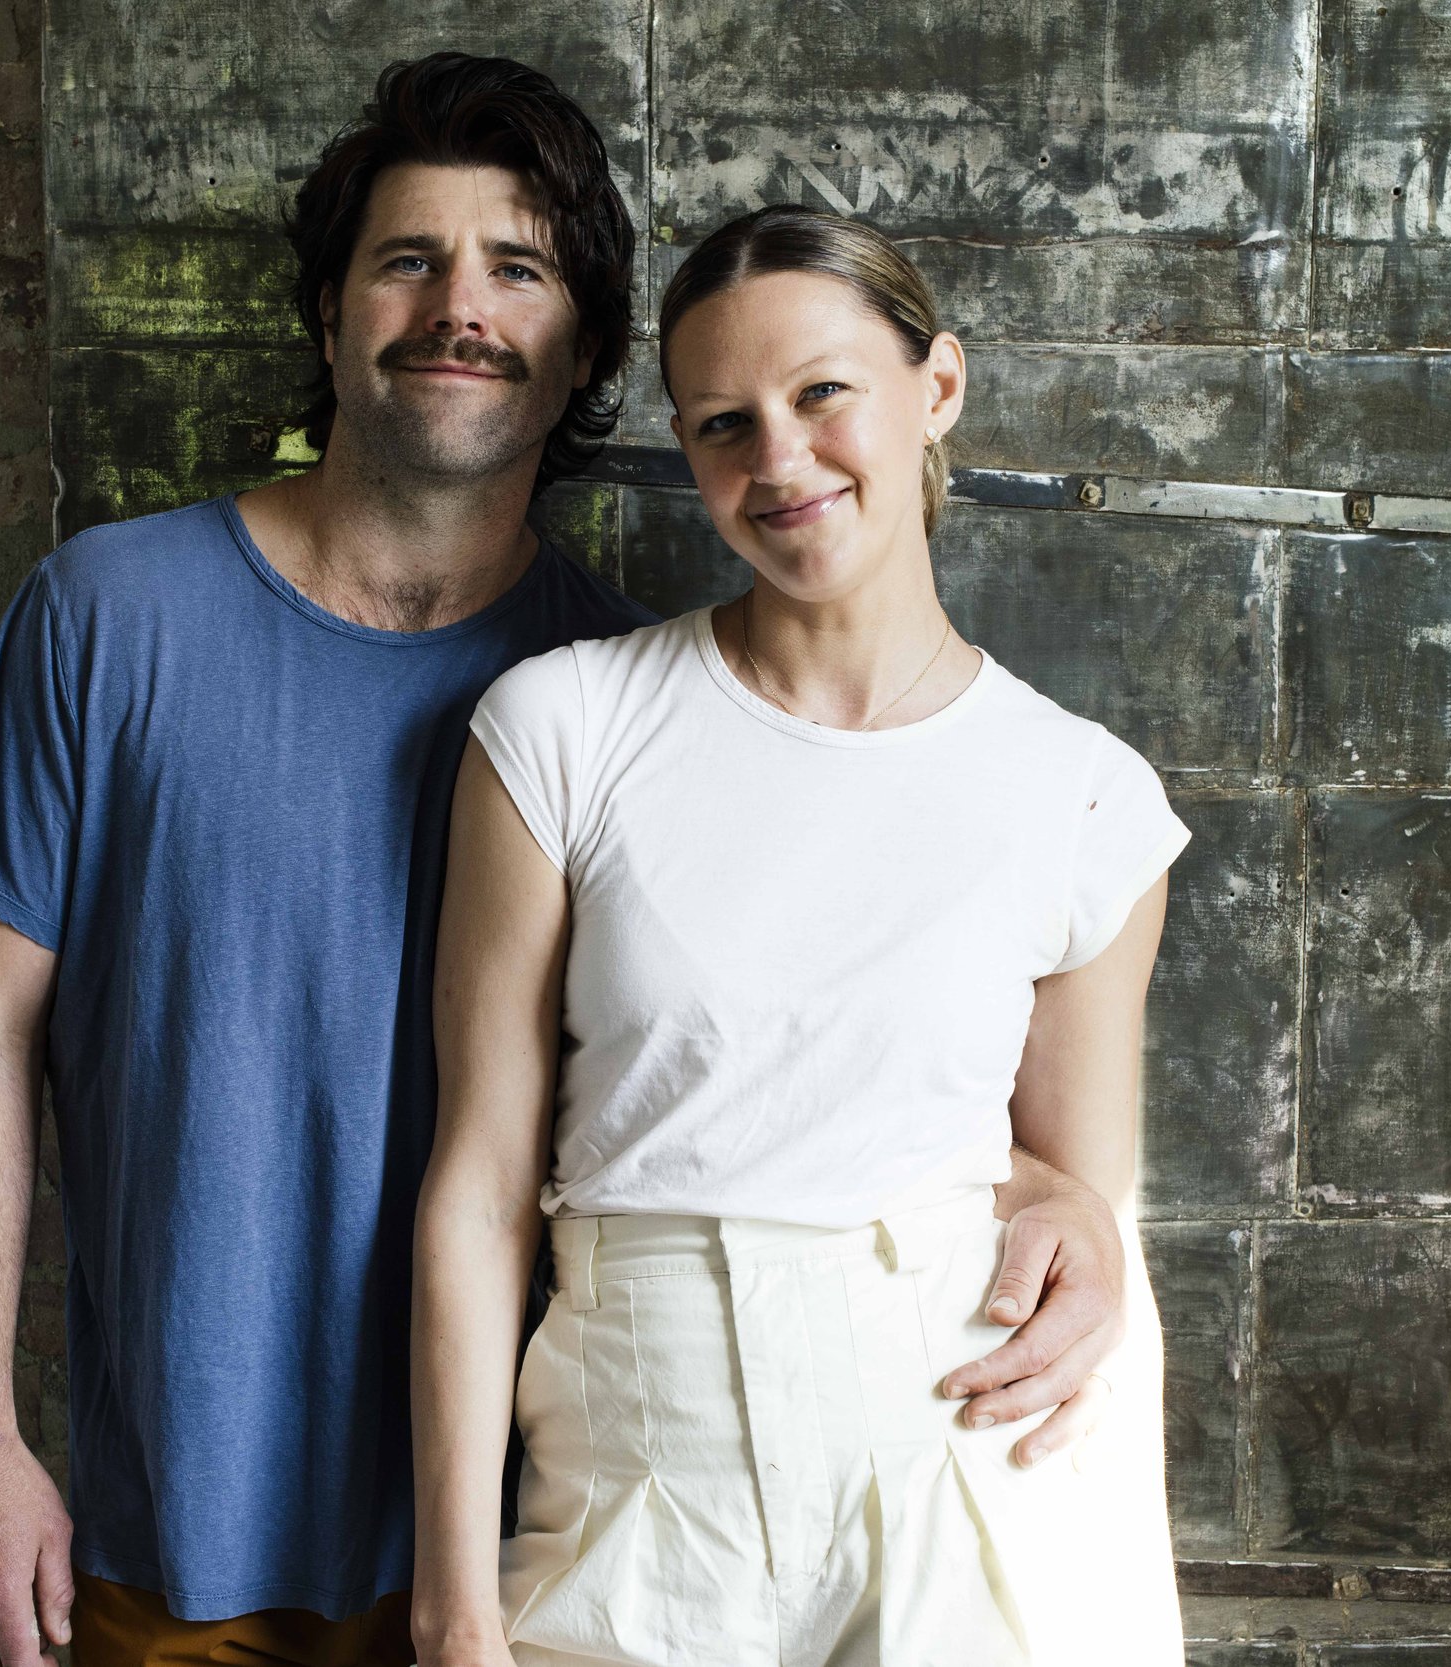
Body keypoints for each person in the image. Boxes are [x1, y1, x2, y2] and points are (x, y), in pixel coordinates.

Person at [0, 54, 1135, 1667]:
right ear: (330, 314)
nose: (458, 309)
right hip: (176, 1533)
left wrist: (1063, 1192)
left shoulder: (630, 700)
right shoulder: (107, 618)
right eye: (408, 261)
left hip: (548, 1537)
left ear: (587, 354)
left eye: (519, 272)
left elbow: (774, 1071)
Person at [412, 202, 1190, 1667]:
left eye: (822, 393)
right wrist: (453, 1607)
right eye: (724, 423)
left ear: (936, 387)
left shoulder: (1085, 797)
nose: (778, 461)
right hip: (645, 1464)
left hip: (966, 1459)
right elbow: (479, 1188)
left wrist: (1074, 1210)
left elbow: (1080, 1215)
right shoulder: (562, 727)